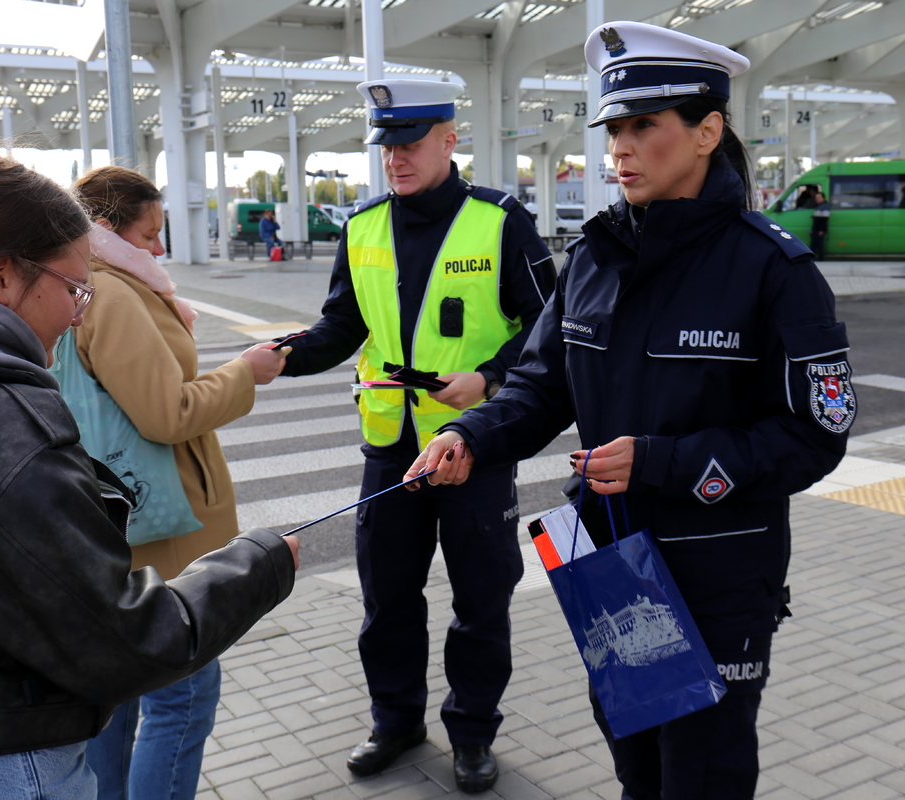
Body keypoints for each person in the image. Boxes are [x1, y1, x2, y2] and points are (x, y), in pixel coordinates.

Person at [407, 21, 855, 800]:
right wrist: (469, 435)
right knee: (636, 765)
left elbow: (815, 434)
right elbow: (540, 384)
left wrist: (661, 462)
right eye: (614, 129)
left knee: (703, 775)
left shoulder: (774, 269)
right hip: (611, 563)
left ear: (707, 132)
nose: (620, 148)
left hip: (719, 573)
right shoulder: (591, 258)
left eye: (644, 125)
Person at [0, 151, 299, 798]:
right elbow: (125, 643)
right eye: (73, 290)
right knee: (177, 704)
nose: (79, 315)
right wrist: (261, 562)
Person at [277, 78, 555, 793]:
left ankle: (473, 733)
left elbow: (548, 326)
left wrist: (488, 379)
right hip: (392, 452)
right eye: (386, 147)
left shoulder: (500, 220)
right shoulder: (363, 226)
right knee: (388, 603)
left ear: (449, 140)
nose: (395, 159)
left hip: (472, 451)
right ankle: (395, 723)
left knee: (481, 604)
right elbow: (342, 325)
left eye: (410, 144)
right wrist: (281, 356)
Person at [68, 166, 281, 800]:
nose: (161, 247)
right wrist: (244, 373)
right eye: (150, 232)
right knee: (181, 699)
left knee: (115, 701)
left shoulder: (75, 284)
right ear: (104, 228)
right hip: (160, 527)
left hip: (108, 517)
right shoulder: (112, 293)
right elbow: (167, 414)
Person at [811, 191, 831, 260]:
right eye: (816, 198)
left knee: (820, 245)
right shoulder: (818, 206)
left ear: (823, 198)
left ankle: (821, 259)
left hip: (820, 230)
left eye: (819, 198)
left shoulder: (825, 207)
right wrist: (813, 229)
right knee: (814, 245)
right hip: (816, 229)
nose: (817, 199)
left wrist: (822, 230)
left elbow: (825, 220)